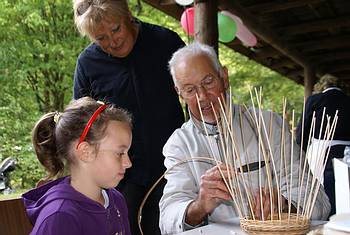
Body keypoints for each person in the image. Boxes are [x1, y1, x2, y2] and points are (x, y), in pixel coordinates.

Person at [159, 42, 331, 234]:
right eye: (190, 90)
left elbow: (319, 201)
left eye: (208, 82)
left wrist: (283, 204)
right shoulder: (179, 144)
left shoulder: (266, 124)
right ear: (179, 93)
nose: (202, 97)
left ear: (224, 77)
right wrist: (200, 205)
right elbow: (167, 219)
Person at [72, 1, 185, 234]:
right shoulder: (88, 64)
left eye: (115, 29)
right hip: (122, 177)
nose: (112, 42)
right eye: (101, 39)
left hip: (175, 168)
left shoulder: (166, 42)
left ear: (127, 15)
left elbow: (195, 95)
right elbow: (80, 126)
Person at [22, 97, 132, 235]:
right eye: (120, 153)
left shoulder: (116, 200)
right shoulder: (59, 217)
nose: (128, 163)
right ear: (86, 152)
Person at [296, 74, 350, 216]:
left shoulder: (315, 100)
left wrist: (298, 152)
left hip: (322, 151)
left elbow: (304, 130)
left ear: (321, 87)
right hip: (348, 151)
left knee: (320, 189)